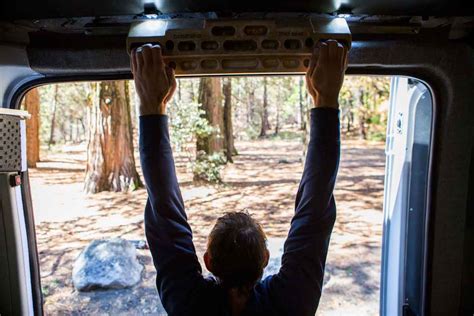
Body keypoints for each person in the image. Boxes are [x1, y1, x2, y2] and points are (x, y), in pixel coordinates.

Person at [131, 39, 347, 316]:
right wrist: (325, 99)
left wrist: (152, 105)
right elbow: (315, 208)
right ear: (265, 260)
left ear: (209, 261)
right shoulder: (291, 302)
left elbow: (164, 210)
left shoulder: (190, 305)